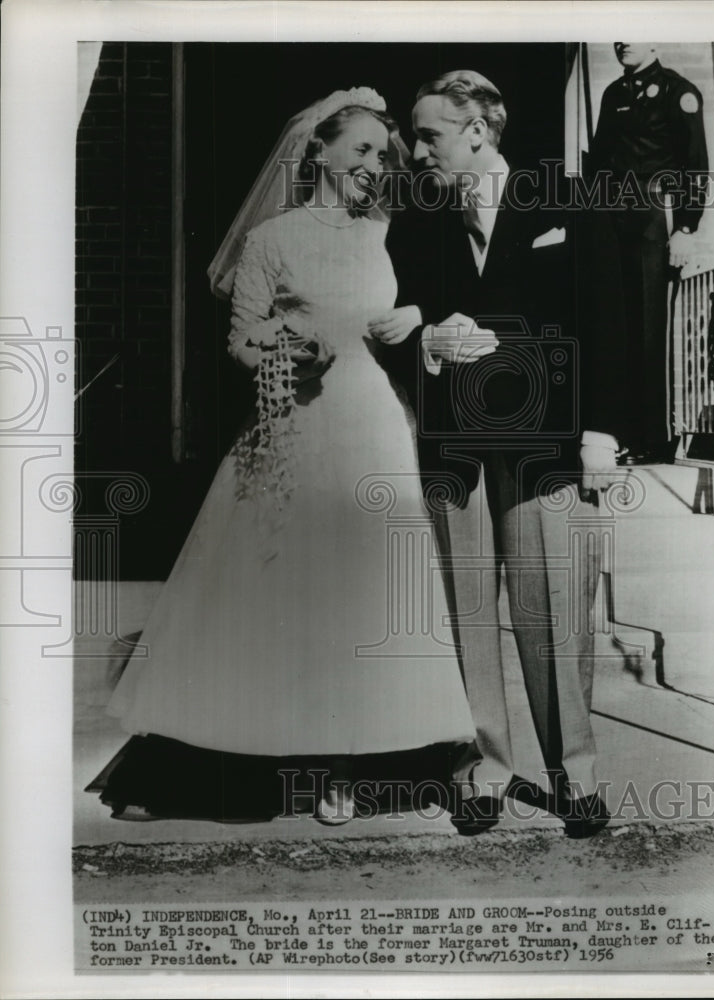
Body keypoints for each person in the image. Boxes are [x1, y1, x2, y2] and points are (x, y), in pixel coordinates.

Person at [87, 87, 476, 825]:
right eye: (358, 150)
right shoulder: (271, 241)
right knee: (279, 592)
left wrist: (419, 315)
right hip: (293, 425)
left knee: (363, 596)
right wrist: (284, 344)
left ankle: (348, 767)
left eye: (381, 153)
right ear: (317, 151)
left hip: (373, 428)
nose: (373, 165)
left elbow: (434, 297)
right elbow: (240, 340)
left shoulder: (389, 231)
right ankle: (241, 758)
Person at [376, 70, 611, 837]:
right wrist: (427, 341)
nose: (416, 150)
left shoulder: (560, 201)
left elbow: (606, 320)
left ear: (477, 131)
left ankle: (574, 775)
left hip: (546, 442)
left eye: (429, 135)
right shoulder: (417, 218)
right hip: (457, 445)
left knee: (555, 616)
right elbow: (398, 325)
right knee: (469, 613)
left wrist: (603, 431)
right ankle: (484, 769)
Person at [582, 43, 709, 463]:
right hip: (609, 219)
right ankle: (617, 432)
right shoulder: (613, 94)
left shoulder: (679, 91)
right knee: (613, 327)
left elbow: (695, 165)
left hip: (654, 216)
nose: (623, 40)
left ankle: (653, 438)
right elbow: (598, 162)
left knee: (649, 331)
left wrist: (686, 228)